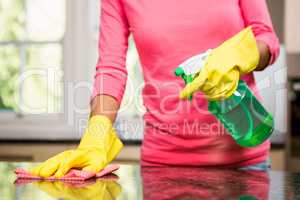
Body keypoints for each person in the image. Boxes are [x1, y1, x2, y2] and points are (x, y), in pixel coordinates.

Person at [31, 0, 280, 178]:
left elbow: (266, 39)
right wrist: (97, 132)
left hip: (244, 159)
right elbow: (111, 66)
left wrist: (244, 53)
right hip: (163, 164)